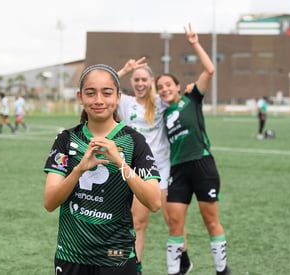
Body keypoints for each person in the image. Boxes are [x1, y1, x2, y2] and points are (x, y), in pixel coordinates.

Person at [43, 64, 161, 275]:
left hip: (115, 254)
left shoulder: (135, 142)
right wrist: (78, 170)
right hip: (71, 253)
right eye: (91, 93)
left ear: (118, 98)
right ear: (80, 97)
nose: (98, 100)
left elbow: (154, 201)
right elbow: (50, 202)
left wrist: (120, 162)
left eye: (106, 93)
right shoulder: (65, 140)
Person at [155, 24, 231, 275]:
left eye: (168, 85)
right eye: (161, 87)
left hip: (202, 165)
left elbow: (210, 70)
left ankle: (222, 270)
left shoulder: (192, 99)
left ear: (178, 86)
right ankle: (175, 271)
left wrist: (195, 44)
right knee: (174, 223)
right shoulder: (163, 115)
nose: (164, 89)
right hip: (177, 171)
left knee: (211, 221)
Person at [117, 59, 192, 275]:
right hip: (137, 172)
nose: (140, 83)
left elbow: (182, 99)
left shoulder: (161, 101)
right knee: (138, 223)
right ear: (132, 81)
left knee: (172, 219)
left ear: (151, 81)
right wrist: (124, 69)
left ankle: (182, 259)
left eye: (144, 79)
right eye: (136, 79)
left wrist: (187, 90)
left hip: (163, 169)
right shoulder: (125, 102)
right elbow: (108, 85)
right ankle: (136, 267)